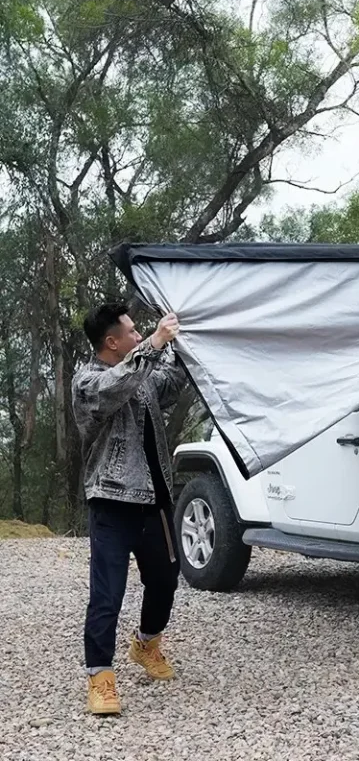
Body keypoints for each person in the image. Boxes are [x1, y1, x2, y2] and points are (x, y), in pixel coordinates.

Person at [72, 303, 187, 715]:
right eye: (133, 332)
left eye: (141, 332)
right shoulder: (88, 382)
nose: (139, 336)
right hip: (111, 501)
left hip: (155, 501)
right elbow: (116, 387)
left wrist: (183, 343)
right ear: (111, 342)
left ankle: (146, 644)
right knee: (107, 595)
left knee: (165, 581)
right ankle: (100, 677)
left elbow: (170, 382)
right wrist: (155, 343)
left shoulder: (143, 371)